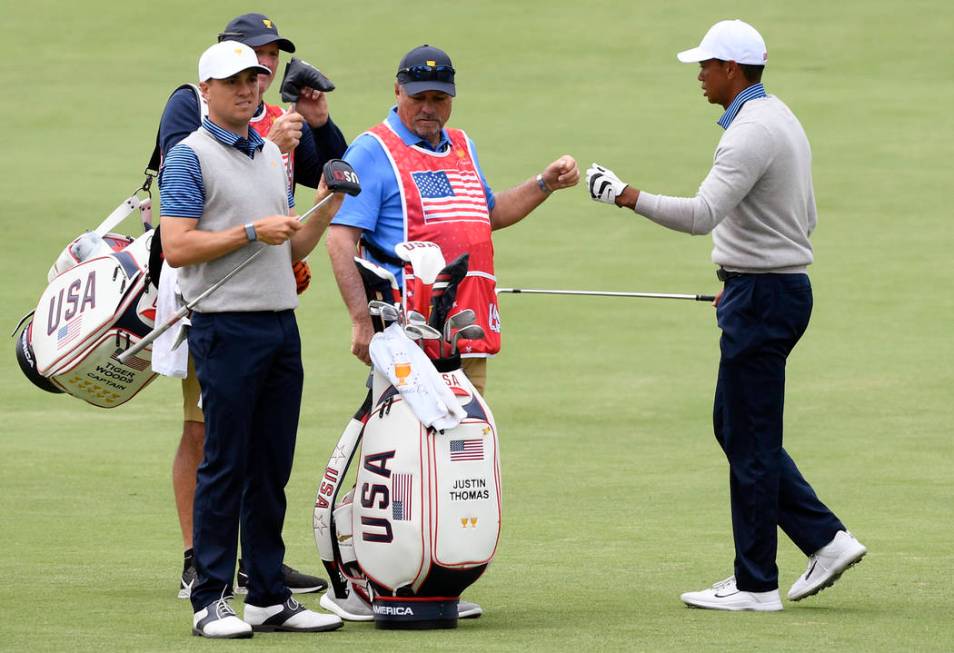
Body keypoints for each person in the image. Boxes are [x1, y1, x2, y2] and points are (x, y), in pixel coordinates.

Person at [586, 19, 866, 612]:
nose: (700, 75)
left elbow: (701, 214)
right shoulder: (778, 116)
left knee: (752, 440)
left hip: (764, 297)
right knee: (738, 429)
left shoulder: (749, 132)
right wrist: (745, 273)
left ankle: (757, 584)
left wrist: (623, 194)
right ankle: (824, 539)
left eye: (706, 66)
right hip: (767, 290)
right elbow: (803, 217)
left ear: (732, 70)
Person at [157, 12, 345, 599]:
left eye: (258, 73)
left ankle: (267, 594)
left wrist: (331, 202)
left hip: (278, 321)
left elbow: (292, 239)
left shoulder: (269, 152)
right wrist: (249, 231)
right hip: (221, 319)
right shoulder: (190, 143)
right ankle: (210, 589)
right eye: (239, 75)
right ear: (208, 88)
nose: (252, 83)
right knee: (222, 459)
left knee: (269, 469)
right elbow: (178, 244)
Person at [326, 44, 579, 397]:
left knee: (468, 447)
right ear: (397, 91)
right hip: (408, 337)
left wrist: (544, 184)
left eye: (439, 98)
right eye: (419, 97)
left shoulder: (462, 145)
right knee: (412, 447)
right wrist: (360, 319)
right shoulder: (372, 151)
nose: (429, 108)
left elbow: (487, 215)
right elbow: (339, 239)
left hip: (466, 331)